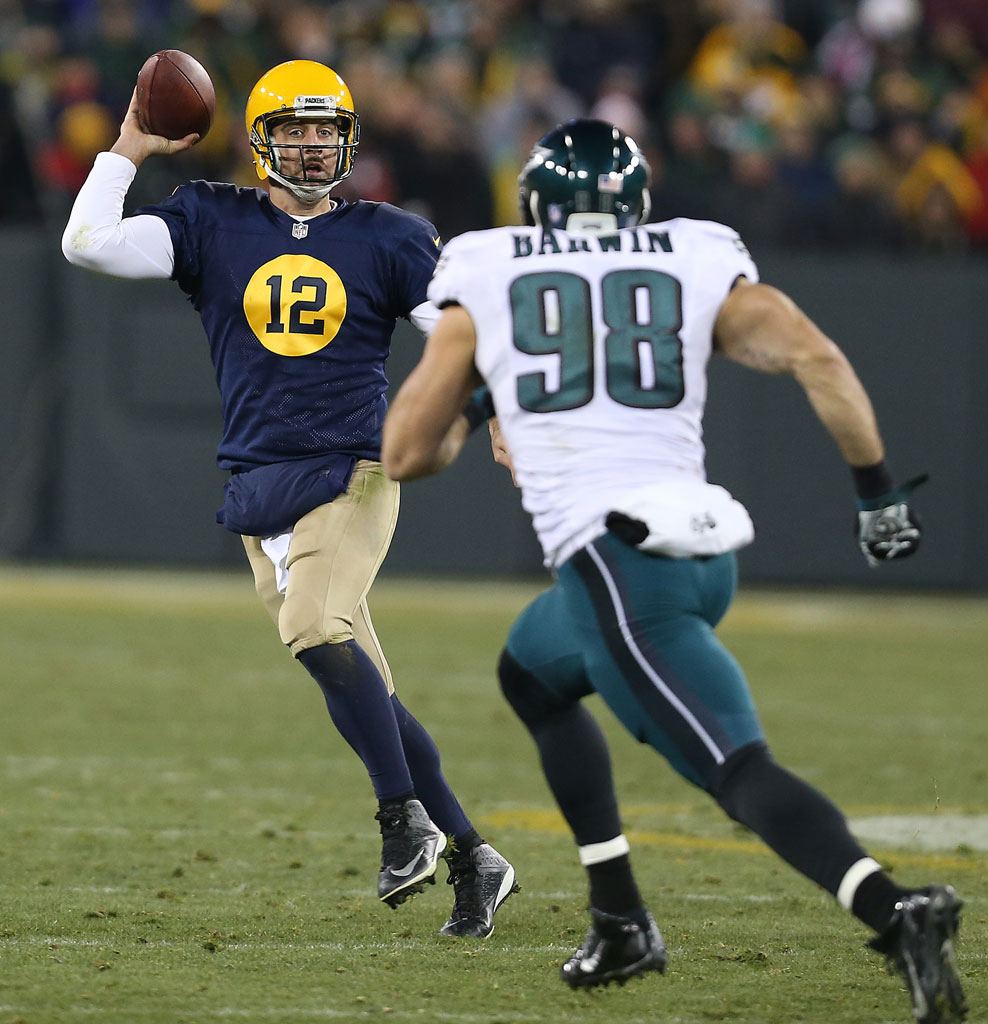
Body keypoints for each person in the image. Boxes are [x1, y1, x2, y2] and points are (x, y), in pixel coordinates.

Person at [381, 118, 967, 1021]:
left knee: (737, 771)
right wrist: (876, 495)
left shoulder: (487, 271)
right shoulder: (694, 255)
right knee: (530, 677)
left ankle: (896, 914)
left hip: (618, 566)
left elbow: (406, 454)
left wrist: (487, 396)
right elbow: (817, 356)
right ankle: (618, 917)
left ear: (533, 207)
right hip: (698, 554)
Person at [61, 58, 517, 938]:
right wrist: (127, 145)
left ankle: (402, 825)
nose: (312, 146)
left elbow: (465, 333)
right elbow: (87, 242)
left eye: (325, 129)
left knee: (313, 627)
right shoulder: (208, 217)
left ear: (347, 137)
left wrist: (496, 411)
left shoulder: (388, 235)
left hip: (355, 467)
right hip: (260, 476)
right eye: (296, 129)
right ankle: (475, 856)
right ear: (261, 140)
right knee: (364, 683)